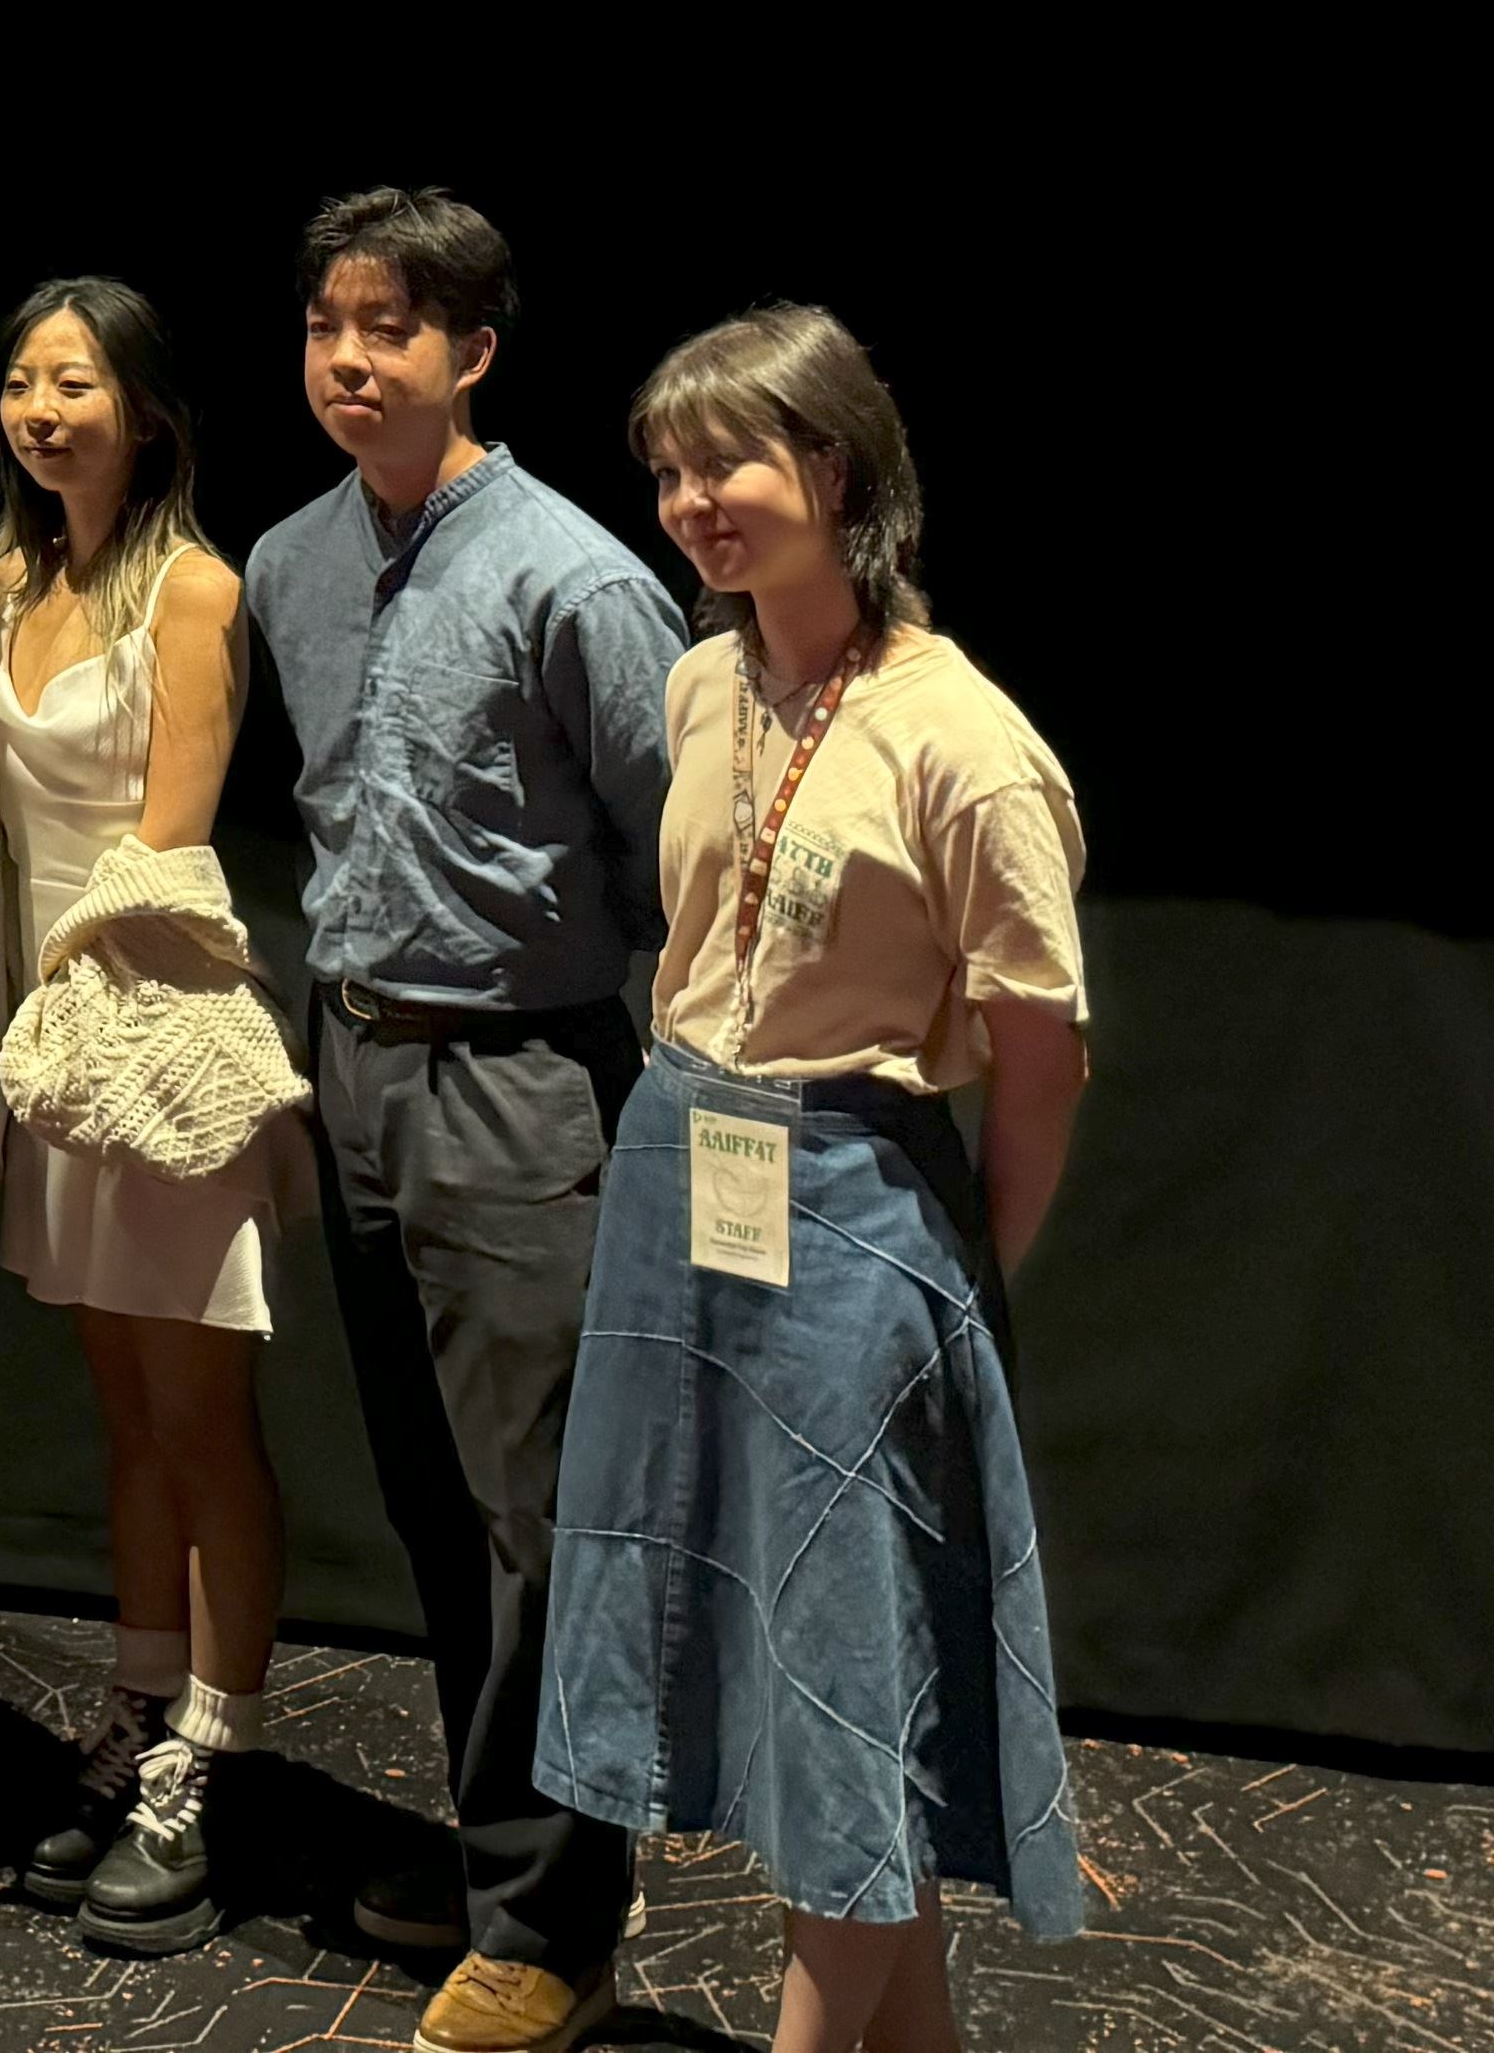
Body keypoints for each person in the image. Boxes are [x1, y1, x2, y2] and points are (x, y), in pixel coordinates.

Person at [541, 308, 1089, 2053]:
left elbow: (1042, 1051)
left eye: (732, 465)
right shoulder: (704, 680)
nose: (694, 501)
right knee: (777, 1680)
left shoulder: (965, 740)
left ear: (835, 471)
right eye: (673, 471)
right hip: (681, 1183)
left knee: (843, 1690)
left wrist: (953, 1278)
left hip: (856, 1215)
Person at [245, 191, 688, 2053]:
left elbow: (694, 850)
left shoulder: (576, 576)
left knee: (539, 1527)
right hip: (355, 1065)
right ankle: (498, 1851)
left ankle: (558, 1929)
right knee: (434, 1505)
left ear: (475, 352)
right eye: (331, 326)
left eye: (395, 330)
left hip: (523, 1082)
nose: (355, 361)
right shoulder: (286, 560)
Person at [0, 278, 299, 1957]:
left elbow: (167, 845)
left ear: (147, 411)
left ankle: (216, 1751)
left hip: (150, 1045)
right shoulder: (7, 575)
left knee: (200, 1420)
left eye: (77, 384)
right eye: (24, 383)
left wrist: (59, 1005)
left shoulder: (193, 590)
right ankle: (138, 1703)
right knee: (124, 1415)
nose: (43, 411)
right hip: (48, 1061)